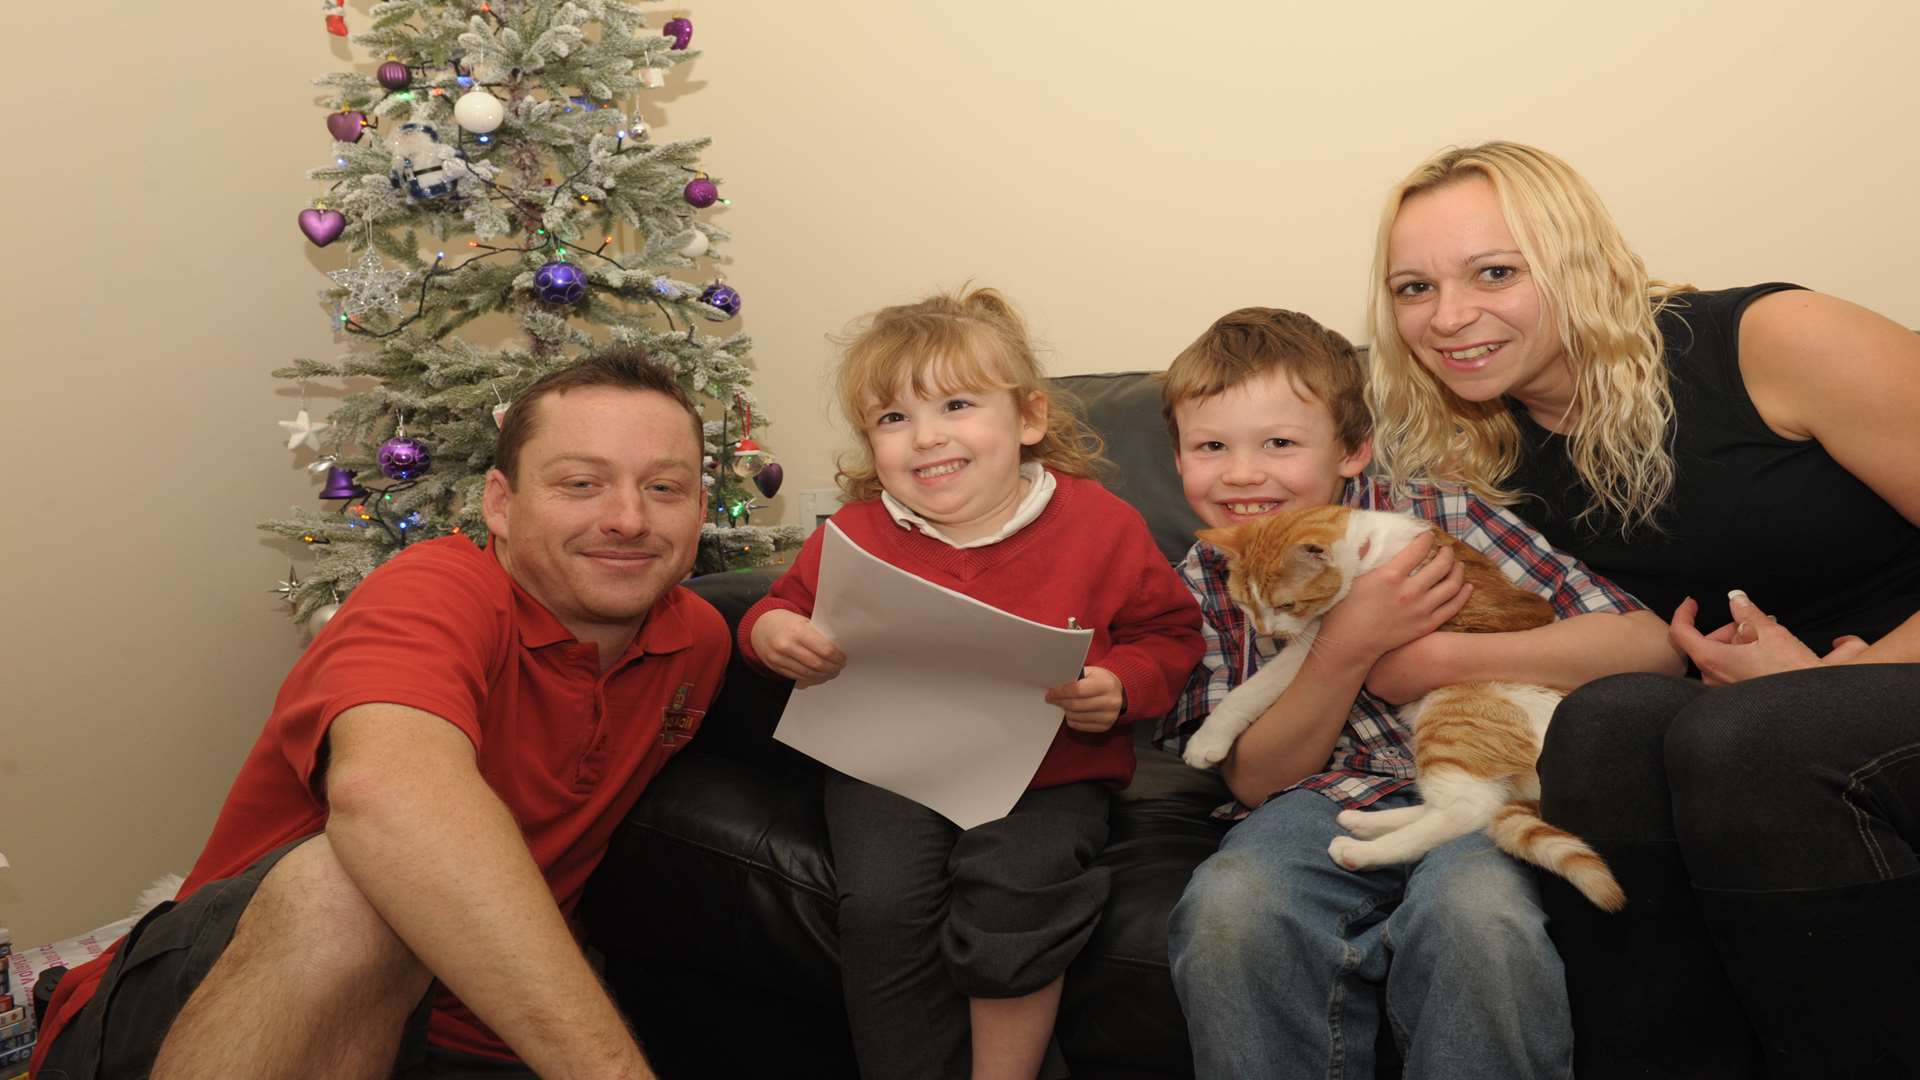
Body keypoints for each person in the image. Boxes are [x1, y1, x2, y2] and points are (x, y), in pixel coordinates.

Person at [1366, 140, 1920, 1076]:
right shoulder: (1482, 448)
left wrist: (1836, 682)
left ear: (1579, 263)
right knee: (1607, 724)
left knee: (1741, 738)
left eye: (1494, 272)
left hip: (1872, 681)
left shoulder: (1771, 341)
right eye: (1413, 288)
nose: (1450, 317)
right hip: (1755, 712)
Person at [33, 350, 730, 1080]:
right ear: (500, 503)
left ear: (699, 511)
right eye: (581, 484)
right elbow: (390, 799)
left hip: (469, 1038)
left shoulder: (697, 643)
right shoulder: (434, 591)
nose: (628, 518)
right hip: (213, 1009)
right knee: (358, 887)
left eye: (664, 487)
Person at [1156, 307, 1677, 1079]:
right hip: (1311, 796)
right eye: (1210, 447)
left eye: (1279, 443)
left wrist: (1432, 656)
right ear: (1177, 461)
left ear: (1353, 450)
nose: (1241, 473)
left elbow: (1650, 647)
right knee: (1231, 906)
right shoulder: (1210, 572)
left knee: (1480, 917)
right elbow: (1257, 780)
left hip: (1484, 781)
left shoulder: (1443, 515)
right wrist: (1351, 640)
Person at [738, 287, 1202, 1080]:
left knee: (1018, 888)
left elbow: (1172, 635)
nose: (926, 437)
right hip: (889, 766)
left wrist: (1119, 685)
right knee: (881, 907)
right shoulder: (856, 532)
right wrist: (772, 635)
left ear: (1028, 420)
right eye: (893, 419)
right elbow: (780, 611)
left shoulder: (1101, 526)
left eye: (956, 404)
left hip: (1048, 770)